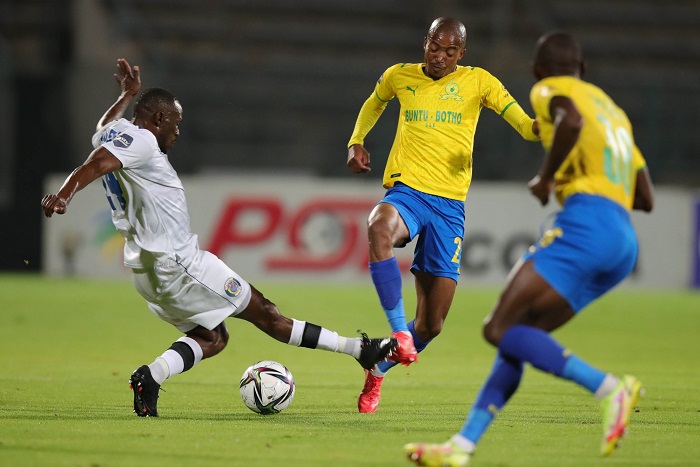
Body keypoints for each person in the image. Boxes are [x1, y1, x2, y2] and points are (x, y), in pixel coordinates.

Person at [41, 58, 397, 417]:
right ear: (160, 119)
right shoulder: (144, 142)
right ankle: (361, 350)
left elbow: (104, 129)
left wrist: (125, 95)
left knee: (213, 338)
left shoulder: (121, 134)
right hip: (178, 264)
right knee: (268, 315)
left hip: (146, 272)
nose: (178, 132)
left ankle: (151, 376)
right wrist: (65, 194)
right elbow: (96, 163)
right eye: (176, 123)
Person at [403, 31, 655, 466]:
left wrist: (547, 176)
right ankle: (461, 448)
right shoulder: (615, 114)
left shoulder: (549, 88)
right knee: (518, 337)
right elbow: (645, 197)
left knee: (496, 327)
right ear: (585, 69)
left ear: (538, 70)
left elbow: (569, 119)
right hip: (622, 238)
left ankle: (609, 388)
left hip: (585, 226)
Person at [346, 17, 540, 413]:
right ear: (425, 43)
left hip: (449, 206)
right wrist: (356, 141)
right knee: (379, 225)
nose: (440, 56)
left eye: (450, 51)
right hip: (408, 191)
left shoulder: (479, 82)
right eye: (436, 47)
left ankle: (379, 368)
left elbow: (523, 125)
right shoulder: (399, 76)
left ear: (461, 54)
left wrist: (549, 127)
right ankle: (398, 329)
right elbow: (374, 102)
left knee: (432, 325)